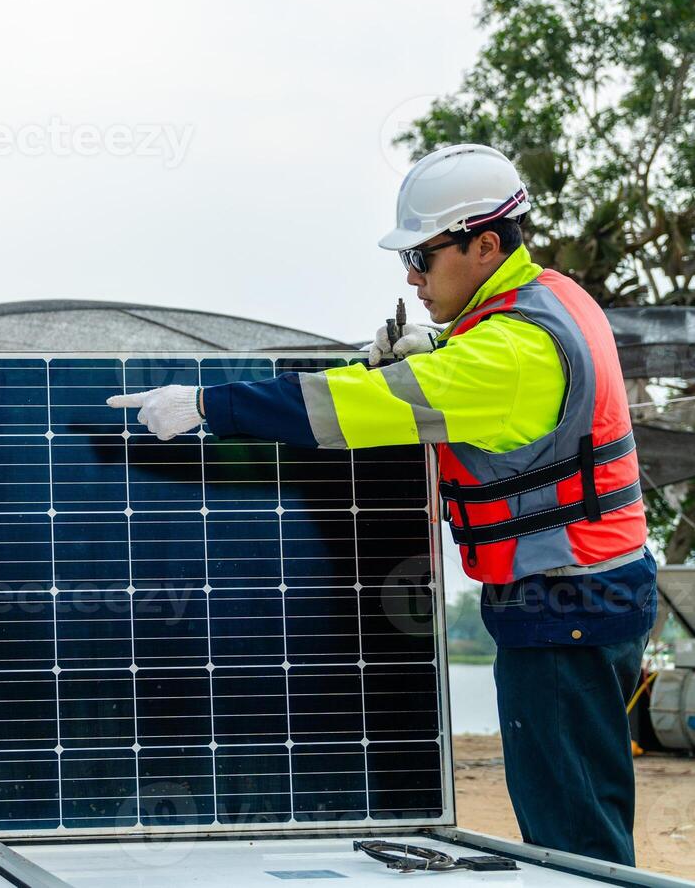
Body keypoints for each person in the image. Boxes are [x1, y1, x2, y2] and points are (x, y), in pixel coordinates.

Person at [109, 143, 656, 867]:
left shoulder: (508, 356)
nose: (411, 276)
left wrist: (211, 405)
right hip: (596, 590)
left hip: (564, 611)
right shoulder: (556, 297)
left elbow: (353, 408)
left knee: (570, 842)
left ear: (485, 244)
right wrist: (439, 341)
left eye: (423, 259)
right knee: (586, 811)